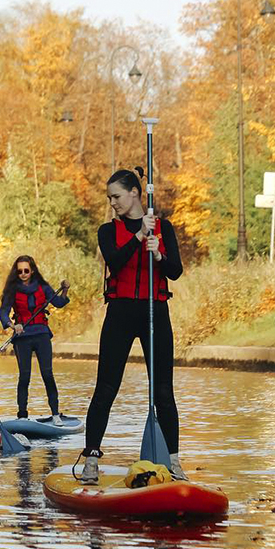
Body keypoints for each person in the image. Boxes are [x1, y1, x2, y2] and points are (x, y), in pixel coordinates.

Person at [79, 167, 185, 483]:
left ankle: (174, 463)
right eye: (110, 197)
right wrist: (140, 237)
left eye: (117, 196)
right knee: (106, 389)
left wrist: (159, 256)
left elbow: (176, 271)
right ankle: (91, 460)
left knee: (164, 392)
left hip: (155, 312)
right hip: (121, 315)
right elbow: (115, 260)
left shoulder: (163, 229)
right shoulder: (107, 230)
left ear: (135, 193)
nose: (112, 202)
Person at [0, 255, 70, 425]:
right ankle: (22, 415)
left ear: (33, 270)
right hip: (22, 337)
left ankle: (55, 414)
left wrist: (64, 289)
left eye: (26, 271)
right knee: (24, 376)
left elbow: (59, 302)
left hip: (42, 334)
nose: (23, 274)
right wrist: (12, 325)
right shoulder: (12, 290)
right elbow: (3, 312)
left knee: (47, 374)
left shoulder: (43, 287)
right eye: (20, 271)